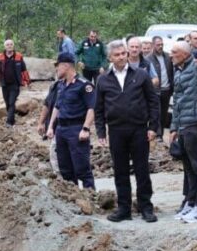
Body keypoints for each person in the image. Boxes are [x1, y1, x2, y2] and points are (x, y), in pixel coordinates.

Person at [95, 41, 161, 223]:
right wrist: (101, 133)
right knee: (120, 170)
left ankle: (145, 207)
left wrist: (153, 127)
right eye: (117, 55)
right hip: (116, 131)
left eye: (123, 53)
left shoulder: (140, 75)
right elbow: (98, 108)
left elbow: (153, 102)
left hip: (139, 130)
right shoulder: (103, 80)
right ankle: (124, 208)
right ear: (110, 58)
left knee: (142, 170)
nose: (121, 57)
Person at [169, 41, 197, 223]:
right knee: (189, 169)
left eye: (174, 52)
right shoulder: (178, 72)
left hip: (196, 125)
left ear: (185, 54)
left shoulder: (196, 67)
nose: (170, 55)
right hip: (183, 126)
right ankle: (191, 202)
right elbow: (177, 102)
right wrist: (173, 128)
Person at [47, 53, 97, 189]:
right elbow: (57, 106)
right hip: (61, 130)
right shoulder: (61, 85)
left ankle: (90, 198)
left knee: (82, 168)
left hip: (76, 129)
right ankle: (74, 199)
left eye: (58, 66)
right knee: (65, 169)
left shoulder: (84, 85)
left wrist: (86, 129)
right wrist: (51, 126)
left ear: (66, 65)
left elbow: (92, 108)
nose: (56, 70)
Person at [0, 39, 30, 127]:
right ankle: (12, 120)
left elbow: (24, 69)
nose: (9, 46)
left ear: (13, 46)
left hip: (15, 84)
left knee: (11, 102)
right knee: (7, 103)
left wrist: (26, 81)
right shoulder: (0, 57)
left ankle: (9, 122)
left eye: (11, 44)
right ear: (5, 46)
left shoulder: (18, 56)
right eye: (7, 44)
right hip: (4, 84)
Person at [36, 81, 62, 175]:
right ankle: (60, 180)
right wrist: (41, 123)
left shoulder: (76, 85)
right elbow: (47, 104)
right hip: (54, 128)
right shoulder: (54, 86)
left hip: (69, 127)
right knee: (54, 155)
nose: (57, 69)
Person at [150, 36, 175, 129]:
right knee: (157, 112)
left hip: (167, 89)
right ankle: (158, 135)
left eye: (161, 44)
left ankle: (161, 133)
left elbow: (173, 71)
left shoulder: (168, 57)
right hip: (155, 90)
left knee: (164, 113)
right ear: (153, 45)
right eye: (158, 45)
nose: (160, 46)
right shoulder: (149, 59)